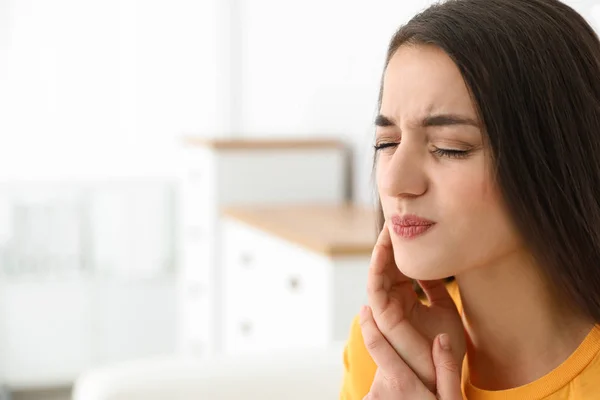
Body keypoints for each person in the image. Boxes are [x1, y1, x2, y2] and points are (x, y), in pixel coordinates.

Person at [339, 0, 600, 399]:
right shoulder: (383, 347)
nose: (393, 181)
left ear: (557, 156)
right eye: (387, 142)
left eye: (450, 147)